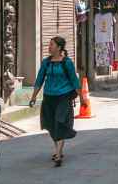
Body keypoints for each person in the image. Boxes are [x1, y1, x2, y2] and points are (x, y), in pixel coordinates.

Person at [29, 36, 80, 166]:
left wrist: (82, 98)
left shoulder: (67, 62)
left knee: (60, 122)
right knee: (51, 125)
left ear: (59, 47)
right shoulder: (46, 62)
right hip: (49, 97)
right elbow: (39, 79)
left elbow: (74, 80)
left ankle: (58, 154)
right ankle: (58, 149)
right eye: (49, 45)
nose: (49, 47)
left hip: (63, 97)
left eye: (51, 45)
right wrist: (34, 96)